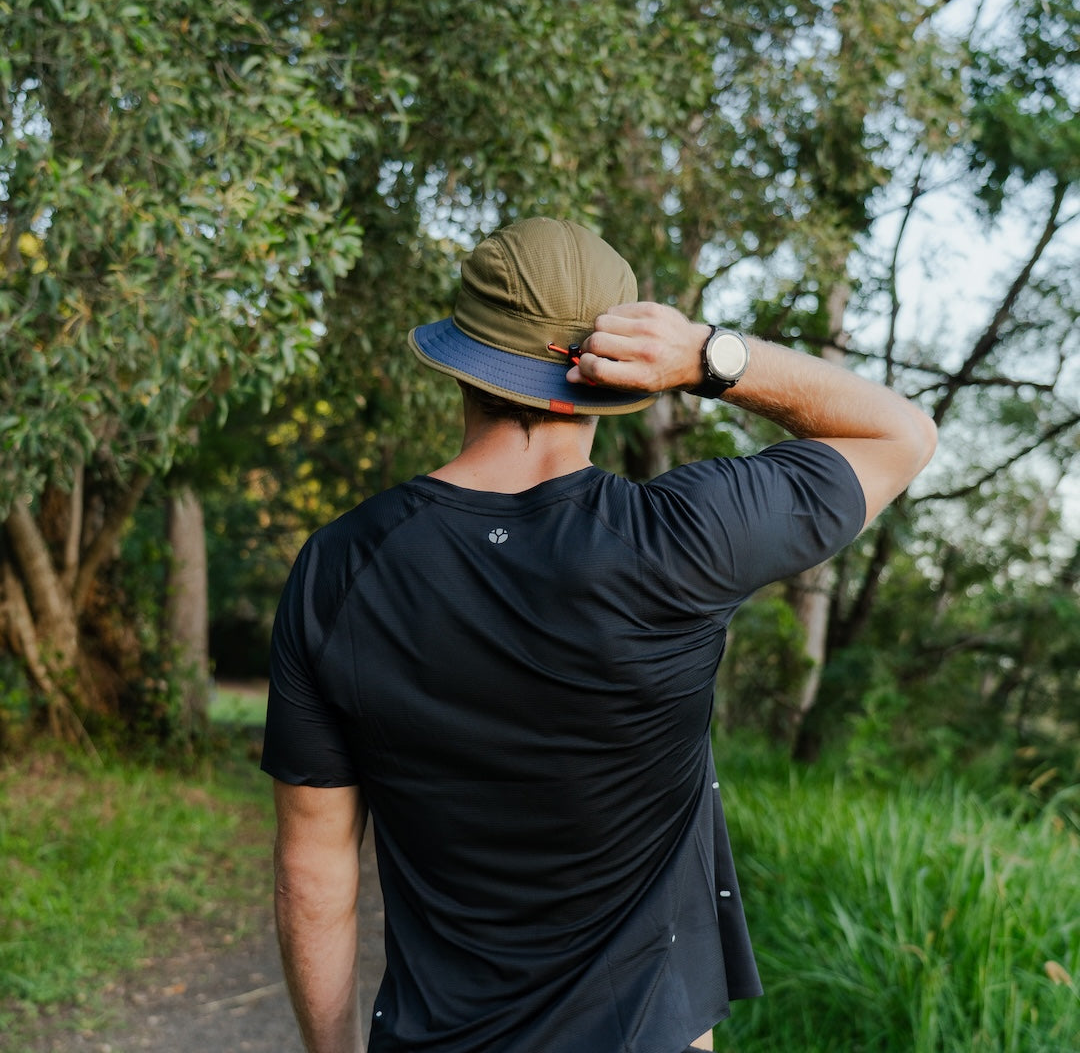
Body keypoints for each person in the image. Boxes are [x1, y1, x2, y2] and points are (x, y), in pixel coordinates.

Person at [262, 217, 936, 1053]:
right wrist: (708, 357)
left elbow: (314, 869)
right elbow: (902, 434)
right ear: (616, 372)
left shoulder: (340, 566)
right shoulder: (687, 539)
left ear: (464, 358)